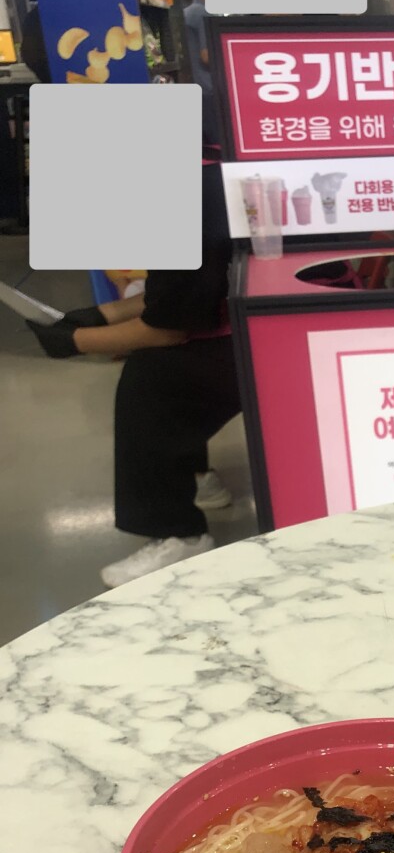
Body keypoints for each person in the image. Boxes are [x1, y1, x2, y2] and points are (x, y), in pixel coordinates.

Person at [27, 153, 240, 587]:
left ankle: (179, 533)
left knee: (152, 381)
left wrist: (74, 341)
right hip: (267, 318)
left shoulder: (181, 203)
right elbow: (172, 296)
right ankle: (199, 477)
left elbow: (167, 330)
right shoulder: (196, 176)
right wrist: (100, 315)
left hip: (266, 341)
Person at [183, 0, 220, 148]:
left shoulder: (188, 11)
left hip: (197, 86)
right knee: (218, 145)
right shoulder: (203, 13)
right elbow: (207, 56)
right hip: (208, 88)